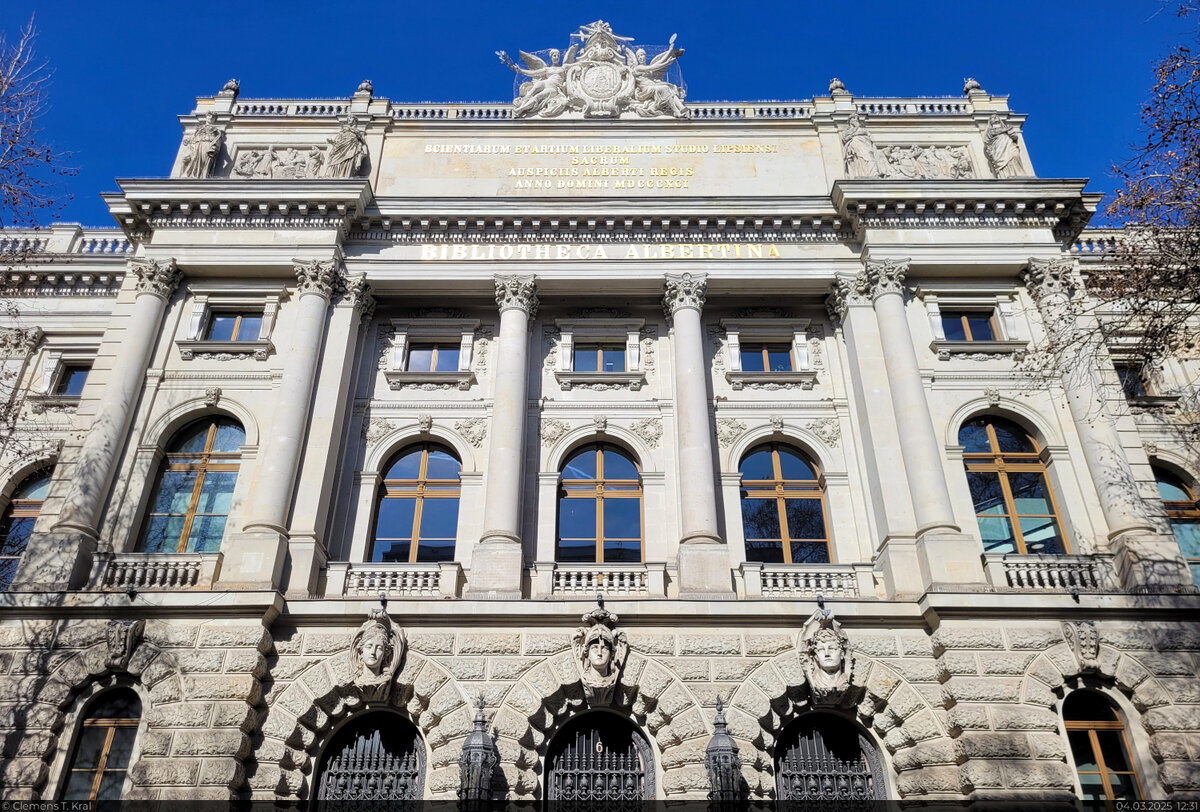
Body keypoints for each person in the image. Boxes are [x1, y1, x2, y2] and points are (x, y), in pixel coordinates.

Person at [179, 112, 223, 178]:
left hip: (208, 145)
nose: (210, 118)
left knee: (205, 160)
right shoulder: (200, 128)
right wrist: (188, 140)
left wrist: (215, 146)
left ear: (214, 119)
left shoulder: (216, 130)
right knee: (193, 158)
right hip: (198, 144)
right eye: (209, 116)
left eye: (213, 117)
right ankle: (192, 174)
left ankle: (202, 175)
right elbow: (194, 137)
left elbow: (218, 139)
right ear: (206, 117)